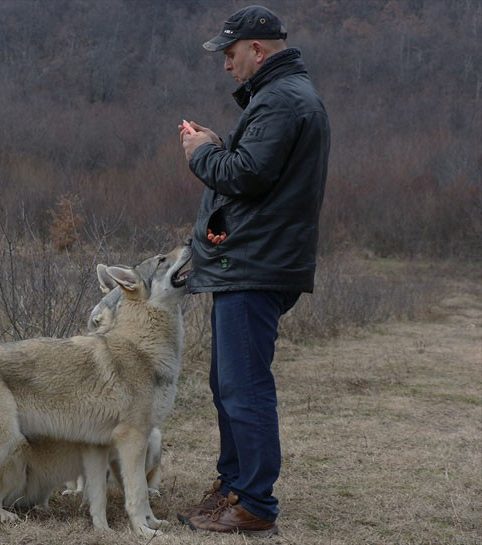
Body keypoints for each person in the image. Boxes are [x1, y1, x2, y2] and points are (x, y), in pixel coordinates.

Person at [177, 5, 330, 537]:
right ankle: (233, 488)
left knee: (244, 390)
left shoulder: (282, 100)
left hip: (255, 265)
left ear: (257, 50)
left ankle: (255, 505)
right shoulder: (281, 98)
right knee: (229, 386)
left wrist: (201, 154)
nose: (226, 65)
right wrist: (220, 145)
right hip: (252, 261)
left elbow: (246, 176)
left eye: (230, 53)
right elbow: (259, 172)